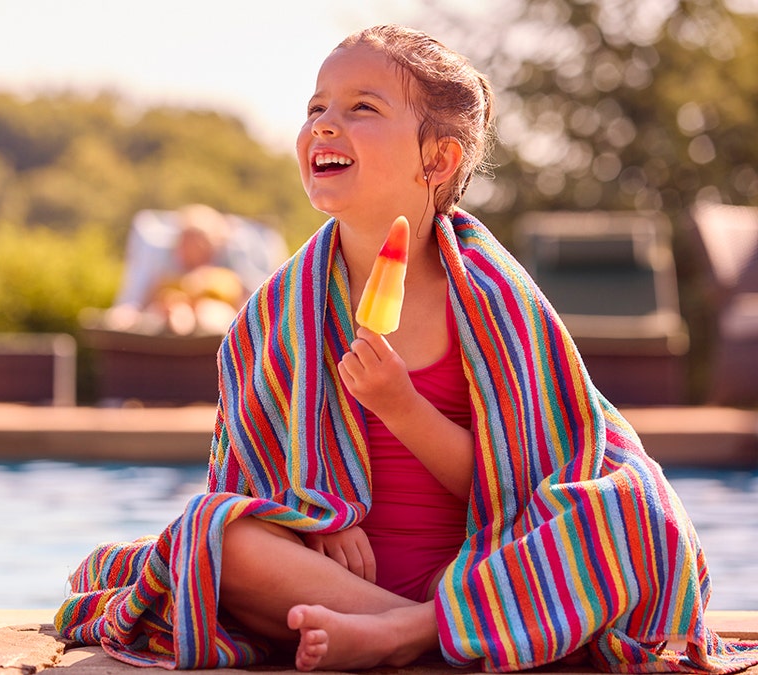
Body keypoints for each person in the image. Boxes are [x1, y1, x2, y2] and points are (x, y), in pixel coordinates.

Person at [55, 24, 758, 674]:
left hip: (484, 562)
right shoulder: (275, 309)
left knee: (638, 514)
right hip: (341, 578)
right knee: (215, 534)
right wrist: (314, 512)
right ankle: (471, 634)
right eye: (316, 106)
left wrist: (402, 406)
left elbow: (524, 482)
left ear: (437, 156)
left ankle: (413, 633)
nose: (325, 123)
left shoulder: (492, 296)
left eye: (362, 107)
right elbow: (248, 476)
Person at [103, 204, 247, 336]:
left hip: (212, 329)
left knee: (209, 314)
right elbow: (143, 302)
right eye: (182, 239)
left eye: (190, 240)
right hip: (169, 326)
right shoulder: (167, 277)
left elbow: (241, 309)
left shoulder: (225, 279)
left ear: (207, 244)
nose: (182, 246)